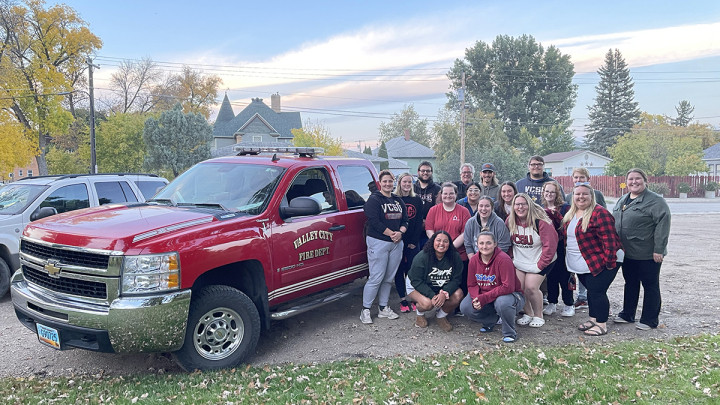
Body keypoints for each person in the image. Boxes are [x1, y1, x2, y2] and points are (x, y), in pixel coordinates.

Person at [612, 168, 671, 330]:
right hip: (627, 252)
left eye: (638, 179)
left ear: (645, 181)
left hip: (648, 253)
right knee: (630, 283)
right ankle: (627, 314)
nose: (634, 182)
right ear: (626, 182)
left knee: (650, 285)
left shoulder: (656, 201)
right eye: (630, 179)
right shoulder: (623, 200)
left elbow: (663, 226)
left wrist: (659, 249)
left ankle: (649, 320)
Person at [562, 182, 622, 336]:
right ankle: (593, 318)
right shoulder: (570, 214)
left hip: (601, 260)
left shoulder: (599, 213)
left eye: (584, 194)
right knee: (591, 291)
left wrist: (609, 262)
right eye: (577, 194)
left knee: (597, 291)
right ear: (573, 197)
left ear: (591, 196)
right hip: (581, 261)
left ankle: (602, 323)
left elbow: (610, 240)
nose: (581, 197)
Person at [361, 170, 408, 324]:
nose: (388, 184)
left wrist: (400, 233)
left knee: (388, 278)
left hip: (396, 243)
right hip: (378, 241)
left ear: (394, 182)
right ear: (379, 183)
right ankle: (365, 309)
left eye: (390, 181)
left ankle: (383, 308)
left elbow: (405, 221)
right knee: (376, 277)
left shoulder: (397, 200)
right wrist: (391, 234)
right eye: (385, 181)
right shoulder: (374, 200)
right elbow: (373, 221)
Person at [460, 232, 525, 343]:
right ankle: (490, 321)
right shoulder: (474, 260)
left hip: (511, 296)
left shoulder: (503, 260)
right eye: (481, 243)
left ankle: (510, 332)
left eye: (488, 243)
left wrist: (484, 298)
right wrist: (477, 298)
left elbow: (508, 287)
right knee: (465, 307)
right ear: (477, 245)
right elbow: (471, 284)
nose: (484, 246)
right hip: (486, 295)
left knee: (502, 302)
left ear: (495, 244)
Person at [507, 193, 558, 328]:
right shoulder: (510, 221)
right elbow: (507, 242)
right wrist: (511, 257)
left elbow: (550, 246)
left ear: (529, 205)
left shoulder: (541, 221)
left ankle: (538, 315)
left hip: (540, 259)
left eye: (523, 204)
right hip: (520, 259)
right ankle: (528, 313)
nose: (520, 207)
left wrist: (540, 265)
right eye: (517, 204)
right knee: (519, 287)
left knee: (531, 287)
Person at [563, 167, 607, 310]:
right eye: (576, 177)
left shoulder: (597, 194)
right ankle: (581, 296)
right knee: (576, 270)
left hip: (590, 239)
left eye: (581, 177)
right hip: (575, 238)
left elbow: (603, 214)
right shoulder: (569, 196)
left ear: (588, 179)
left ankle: (592, 299)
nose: (578, 180)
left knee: (590, 272)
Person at [425, 183, 472, 312]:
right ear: (441, 194)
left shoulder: (464, 211)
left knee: (458, 279)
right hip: (437, 252)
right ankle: (437, 302)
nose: (448, 196)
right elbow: (429, 230)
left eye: (451, 193)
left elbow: (465, 232)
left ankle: (457, 307)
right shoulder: (434, 210)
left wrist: (450, 247)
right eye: (445, 193)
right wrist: (439, 245)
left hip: (457, 252)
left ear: (456, 195)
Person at [406, 230, 464, 332]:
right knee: (427, 304)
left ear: (449, 244)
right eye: (438, 240)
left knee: (458, 295)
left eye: (445, 241)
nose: (441, 244)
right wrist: (432, 296)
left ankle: (440, 316)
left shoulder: (455, 257)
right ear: (432, 242)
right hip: (417, 285)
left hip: (441, 287)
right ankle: (420, 314)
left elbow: (457, 279)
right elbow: (416, 281)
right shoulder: (422, 257)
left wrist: (444, 293)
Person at [541, 181, 574, 317]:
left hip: (563, 247)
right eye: (547, 191)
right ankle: (552, 302)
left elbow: (569, 226)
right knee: (551, 275)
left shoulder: (566, 208)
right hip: (549, 246)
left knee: (565, 276)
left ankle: (568, 304)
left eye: (552, 192)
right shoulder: (540, 208)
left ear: (557, 193)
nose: (549, 194)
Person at [394, 173, 423, 313]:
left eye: (409, 182)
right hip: (398, 241)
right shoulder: (394, 199)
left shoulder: (417, 199)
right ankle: (402, 299)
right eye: (404, 182)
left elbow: (418, 222)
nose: (407, 184)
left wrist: (413, 241)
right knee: (399, 270)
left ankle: (414, 298)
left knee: (412, 270)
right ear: (399, 183)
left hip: (413, 241)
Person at [414, 161, 441, 248]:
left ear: (431, 172)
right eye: (423, 171)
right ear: (418, 172)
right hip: (414, 228)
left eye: (428, 171)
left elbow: (440, 208)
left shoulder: (437, 189)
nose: (425, 173)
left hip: (431, 228)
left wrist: (428, 221)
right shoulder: (412, 189)